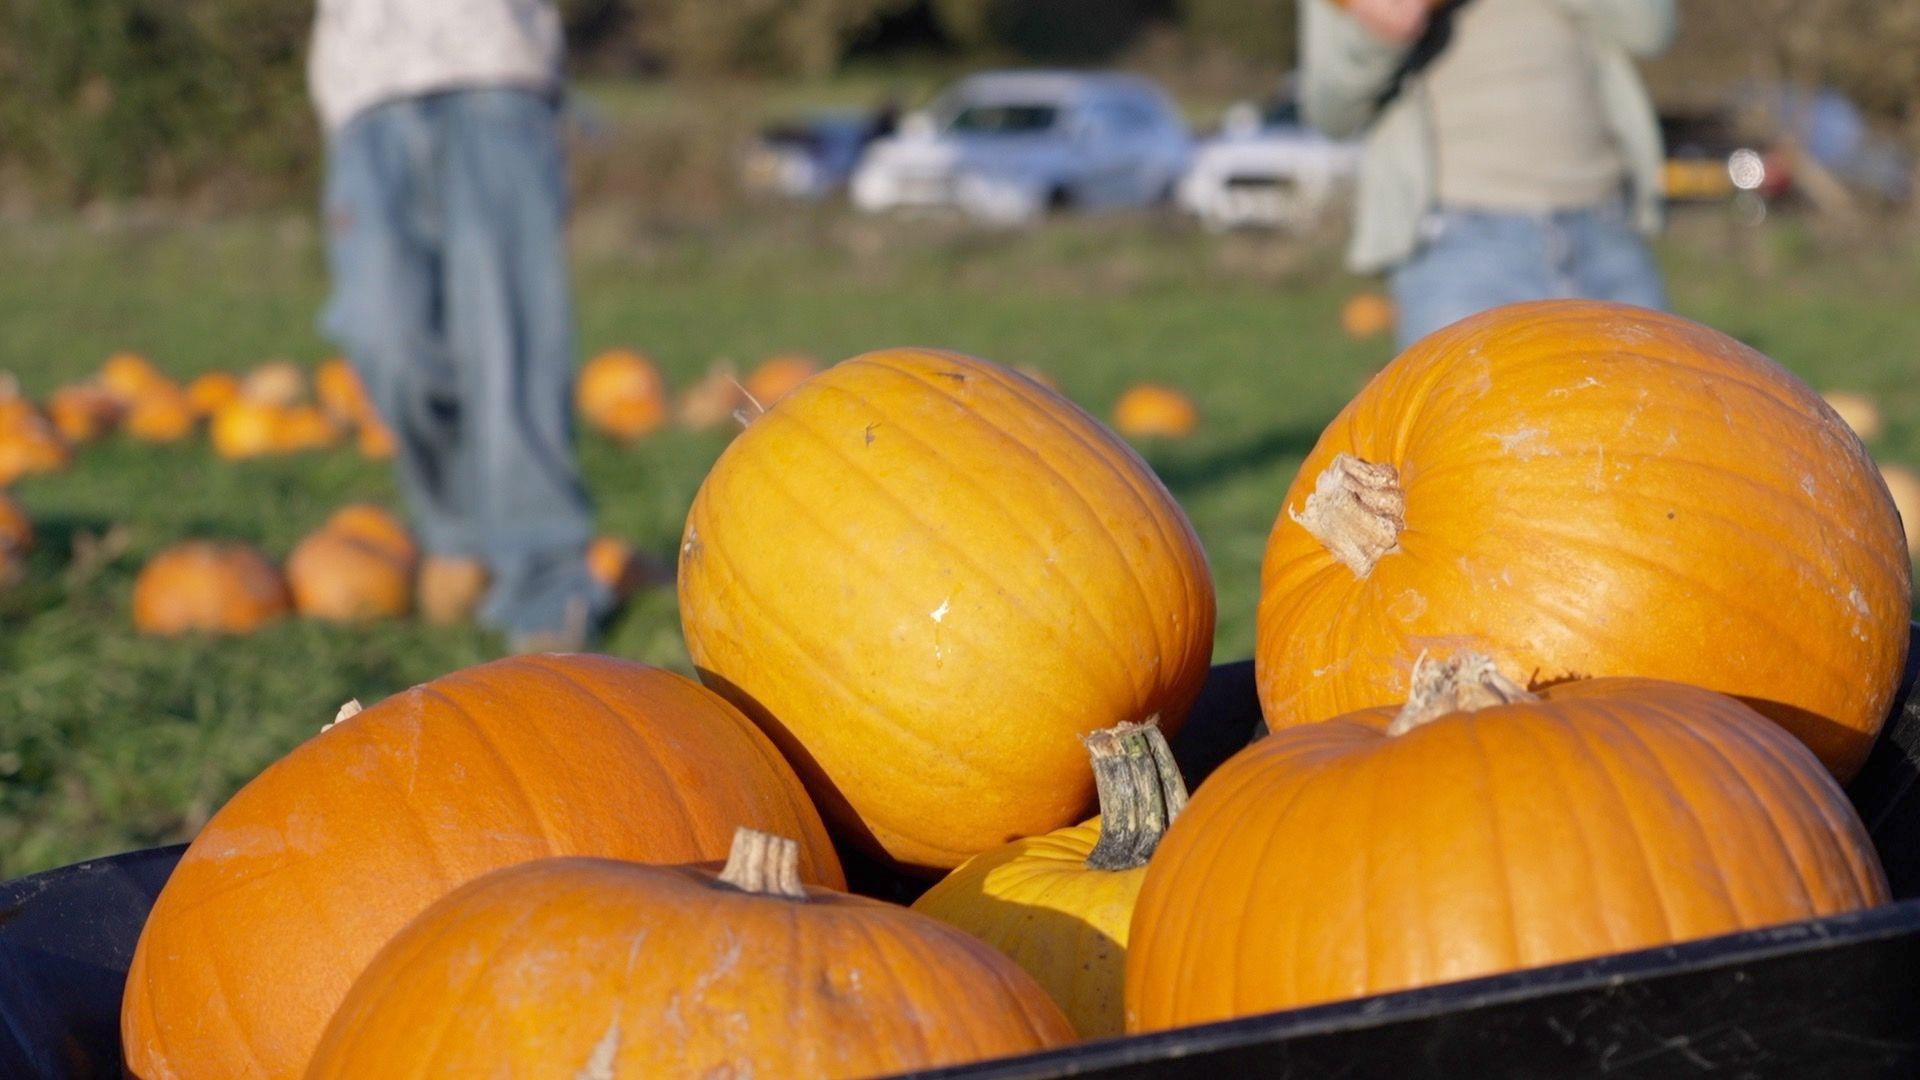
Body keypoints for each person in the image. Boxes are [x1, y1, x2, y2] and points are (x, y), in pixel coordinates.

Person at [309, 0, 608, 651]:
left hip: (494, 67)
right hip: (364, 87)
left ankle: (545, 588)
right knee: (383, 336)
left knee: (508, 347)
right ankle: (458, 533)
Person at [1300, 0, 1675, 348]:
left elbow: (1651, 29)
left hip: (1606, 224)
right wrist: (1377, 36)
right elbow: (1330, 112)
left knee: (1659, 413)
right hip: (1455, 241)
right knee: (1465, 418)